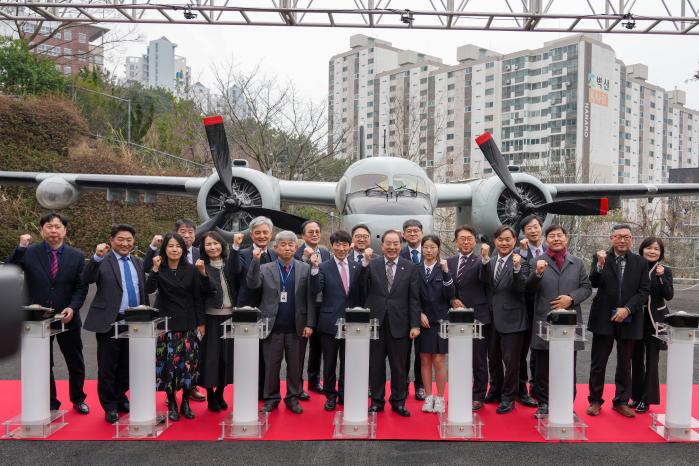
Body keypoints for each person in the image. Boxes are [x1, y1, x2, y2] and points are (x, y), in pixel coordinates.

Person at [7, 212, 89, 415]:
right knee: (44, 362)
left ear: (65, 230)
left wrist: (73, 307)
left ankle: (78, 399)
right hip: (38, 319)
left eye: (57, 226)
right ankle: (51, 402)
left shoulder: (77, 256)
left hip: (67, 317)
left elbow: (81, 287)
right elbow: (9, 269)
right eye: (49, 226)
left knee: (75, 360)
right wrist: (20, 248)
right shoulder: (29, 252)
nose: (53, 230)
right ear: (42, 230)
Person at [526, 224, 592, 419]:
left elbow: (587, 287)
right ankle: (544, 402)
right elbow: (528, 289)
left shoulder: (577, 263)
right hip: (544, 321)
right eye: (552, 236)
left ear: (566, 238)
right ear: (546, 240)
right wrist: (537, 274)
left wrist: (571, 298)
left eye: (559, 236)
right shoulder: (537, 261)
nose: (556, 239)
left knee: (567, 365)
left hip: (569, 324)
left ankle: (566, 403)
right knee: (543, 366)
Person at [82, 224, 146, 423]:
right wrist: (96, 257)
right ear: (111, 240)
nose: (125, 243)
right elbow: (86, 278)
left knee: (128, 364)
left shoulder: (137, 261)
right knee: (108, 365)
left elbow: (141, 289)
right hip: (110, 320)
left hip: (134, 320)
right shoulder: (103, 261)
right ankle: (109, 406)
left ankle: (120, 397)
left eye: (129, 240)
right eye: (121, 239)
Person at [247, 230, 315, 414]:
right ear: (275, 247)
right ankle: (271, 398)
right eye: (282, 245)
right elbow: (252, 284)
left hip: (297, 326)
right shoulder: (264, 268)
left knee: (295, 366)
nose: (287, 248)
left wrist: (310, 323)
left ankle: (292, 397)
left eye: (290, 244)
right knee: (271, 366)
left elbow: (310, 298)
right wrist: (254, 260)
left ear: (296, 247)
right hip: (272, 326)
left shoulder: (305, 268)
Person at [587, 224, 650, 418]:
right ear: (611, 238)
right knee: (598, 362)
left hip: (629, 317)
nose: (623, 240)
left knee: (625, 362)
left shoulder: (640, 262)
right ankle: (595, 400)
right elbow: (594, 282)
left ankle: (621, 401)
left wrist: (627, 309)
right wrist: (599, 264)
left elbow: (643, 291)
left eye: (627, 237)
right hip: (603, 317)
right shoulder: (601, 258)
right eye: (618, 236)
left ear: (631, 240)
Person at [359, 229, 421, 417]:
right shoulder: (372, 265)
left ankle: (398, 401)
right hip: (375, 324)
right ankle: (377, 401)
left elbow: (414, 299)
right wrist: (363, 265)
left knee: (400, 367)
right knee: (375, 366)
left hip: (400, 325)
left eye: (396, 244)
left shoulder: (409, 267)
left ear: (400, 245)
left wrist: (415, 324)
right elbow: (360, 289)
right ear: (382, 245)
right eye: (388, 243)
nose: (392, 247)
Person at [145, 219, 206, 403]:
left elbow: (197, 298)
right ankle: (171, 401)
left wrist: (201, 322)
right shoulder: (160, 269)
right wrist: (155, 269)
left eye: (178, 246)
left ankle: (186, 401)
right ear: (165, 248)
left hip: (188, 323)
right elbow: (148, 289)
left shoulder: (191, 269)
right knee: (169, 366)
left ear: (183, 249)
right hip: (167, 324)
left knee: (188, 365)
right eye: (170, 246)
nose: (174, 249)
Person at [479, 225, 530, 414]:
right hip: (492, 319)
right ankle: (495, 390)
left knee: (511, 362)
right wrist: (484, 261)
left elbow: (521, 288)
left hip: (513, 319)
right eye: (500, 239)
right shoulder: (490, 261)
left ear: (514, 240)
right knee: (492, 358)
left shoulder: (522, 261)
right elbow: (484, 283)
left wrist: (517, 268)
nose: (504, 243)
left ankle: (509, 397)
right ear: (495, 241)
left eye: (508, 239)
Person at [310, 230, 362, 411]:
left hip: (352, 323)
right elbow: (316, 289)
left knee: (348, 362)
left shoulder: (357, 266)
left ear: (350, 246)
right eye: (337, 245)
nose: (341, 248)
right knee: (330, 363)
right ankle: (330, 395)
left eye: (344, 245)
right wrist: (314, 269)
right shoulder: (323, 266)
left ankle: (344, 394)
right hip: (330, 322)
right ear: (332, 246)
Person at [232, 216, 278, 400]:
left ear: (271, 234)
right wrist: (235, 247)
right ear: (251, 234)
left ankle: (264, 391)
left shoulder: (275, 254)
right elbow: (234, 270)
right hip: (248, 310)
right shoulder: (242, 254)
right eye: (257, 232)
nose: (261, 236)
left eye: (265, 232)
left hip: (269, 310)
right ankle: (248, 390)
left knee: (268, 354)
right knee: (248, 354)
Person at [198, 231, 244, 412]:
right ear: (203, 248)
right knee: (211, 359)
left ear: (222, 245)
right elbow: (202, 293)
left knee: (227, 358)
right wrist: (202, 273)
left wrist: (236, 245)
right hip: (210, 318)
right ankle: (210, 395)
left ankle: (220, 393)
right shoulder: (201, 266)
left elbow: (237, 269)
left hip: (230, 317)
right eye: (208, 244)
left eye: (216, 243)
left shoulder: (229, 265)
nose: (212, 247)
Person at [447, 224, 490, 411]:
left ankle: (478, 395)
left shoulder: (482, 260)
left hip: (478, 316)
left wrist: (487, 259)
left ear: (475, 241)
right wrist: (452, 299)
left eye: (469, 238)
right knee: (458, 357)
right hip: (455, 318)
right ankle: (460, 391)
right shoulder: (449, 262)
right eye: (462, 238)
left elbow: (486, 279)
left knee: (478, 359)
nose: (465, 241)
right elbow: (445, 286)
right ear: (456, 241)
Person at [630, 237, 673, 414]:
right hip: (636, 319)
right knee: (636, 359)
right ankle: (637, 396)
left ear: (661, 253)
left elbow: (668, 295)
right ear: (642, 249)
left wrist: (662, 277)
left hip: (656, 321)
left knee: (652, 361)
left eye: (656, 249)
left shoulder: (665, 271)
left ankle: (647, 399)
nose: (652, 251)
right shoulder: (635, 267)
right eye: (649, 248)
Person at [417, 235, 455, 414]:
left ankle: (440, 398)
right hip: (423, 321)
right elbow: (411, 295)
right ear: (422, 248)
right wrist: (418, 313)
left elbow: (450, 295)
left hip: (440, 320)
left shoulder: (444, 268)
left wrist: (446, 271)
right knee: (424, 359)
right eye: (426, 247)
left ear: (438, 249)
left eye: (432, 247)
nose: (429, 250)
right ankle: (428, 397)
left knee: (439, 360)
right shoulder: (415, 269)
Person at [294, 220, 331, 396]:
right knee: (299, 348)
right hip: (303, 305)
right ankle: (298, 385)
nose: (315, 234)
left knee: (318, 347)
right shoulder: (296, 252)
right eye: (310, 232)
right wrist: (307, 259)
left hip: (321, 305)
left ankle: (314, 381)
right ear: (303, 235)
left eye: (317, 231)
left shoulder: (325, 252)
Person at [516, 214, 545, 407]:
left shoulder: (551, 250)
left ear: (541, 228)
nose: (533, 231)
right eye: (529, 228)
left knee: (540, 351)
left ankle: (538, 387)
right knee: (521, 351)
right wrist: (525, 255)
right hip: (523, 308)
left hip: (544, 307)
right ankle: (521, 390)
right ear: (523, 232)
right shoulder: (519, 252)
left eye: (535, 227)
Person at [400, 219, 425, 401]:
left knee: (421, 354)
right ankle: (401, 386)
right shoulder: (398, 254)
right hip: (402, 312)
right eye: (409, 231)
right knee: (402, 353)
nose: (413, 234)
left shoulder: (431, 251)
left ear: (421, 234)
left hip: (425, 313)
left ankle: (420, 386)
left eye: (416, 231)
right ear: (404, 234)